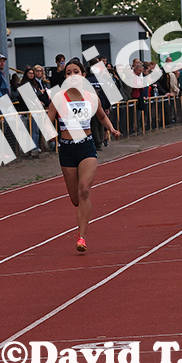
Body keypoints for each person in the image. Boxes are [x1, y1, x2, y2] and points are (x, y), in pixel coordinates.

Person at [45, 59, 120, 252]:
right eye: (68, 73)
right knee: (76, 200)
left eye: (76, 72)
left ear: (83, 75)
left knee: (84, 190)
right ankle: (82, 216)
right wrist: (52, 135)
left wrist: (111, 129)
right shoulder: (59, 98)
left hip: (86, 147)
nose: (72, 75)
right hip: (67, 149)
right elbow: (48, 121)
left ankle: (82, 237)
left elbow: (101, 116)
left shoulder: (91, 96)